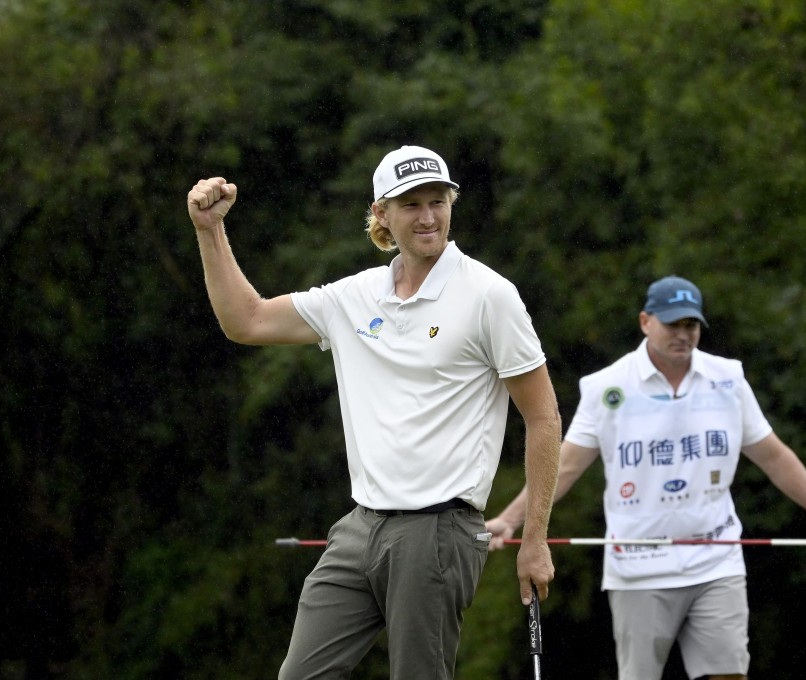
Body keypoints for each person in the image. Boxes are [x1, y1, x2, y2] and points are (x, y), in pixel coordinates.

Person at [186, 144, 561, 679]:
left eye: (438, 201)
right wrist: (209, 231)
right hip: (361, 528)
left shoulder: (488, 296)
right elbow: (246, 321)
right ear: (381, 214)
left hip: (439, 530)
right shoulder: (356, 296)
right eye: (410, 205)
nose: (428, 217)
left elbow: (543, 417)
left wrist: (535, 539)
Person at [484, 275, 806, 680]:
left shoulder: (728, 379)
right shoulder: (606, 387)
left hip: (716, 559)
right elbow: (565, 466)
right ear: (646, 321)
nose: (684, 334)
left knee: (730, 674)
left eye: (692, 325)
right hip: (638, 567)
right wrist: (510, 519)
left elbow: (773, 456)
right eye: (673, 324)